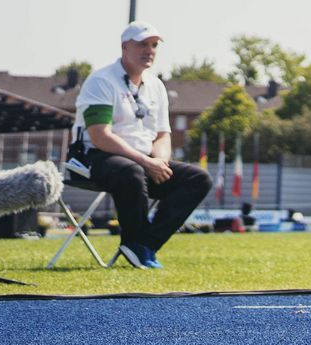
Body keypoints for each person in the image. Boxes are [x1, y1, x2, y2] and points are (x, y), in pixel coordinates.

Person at [63, 22, 210, 269]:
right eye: (142, 44)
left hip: (142, 161)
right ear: (124, 47)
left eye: (153, 45)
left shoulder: (156, 86)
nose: (149, 50)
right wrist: (145, 162)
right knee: (131, 170)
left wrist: (160, 162)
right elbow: (100, 136)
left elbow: (163, 135)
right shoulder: (101, 80)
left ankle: (145, 244)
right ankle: (135, 242)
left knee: (198, 178)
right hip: (95, 157)